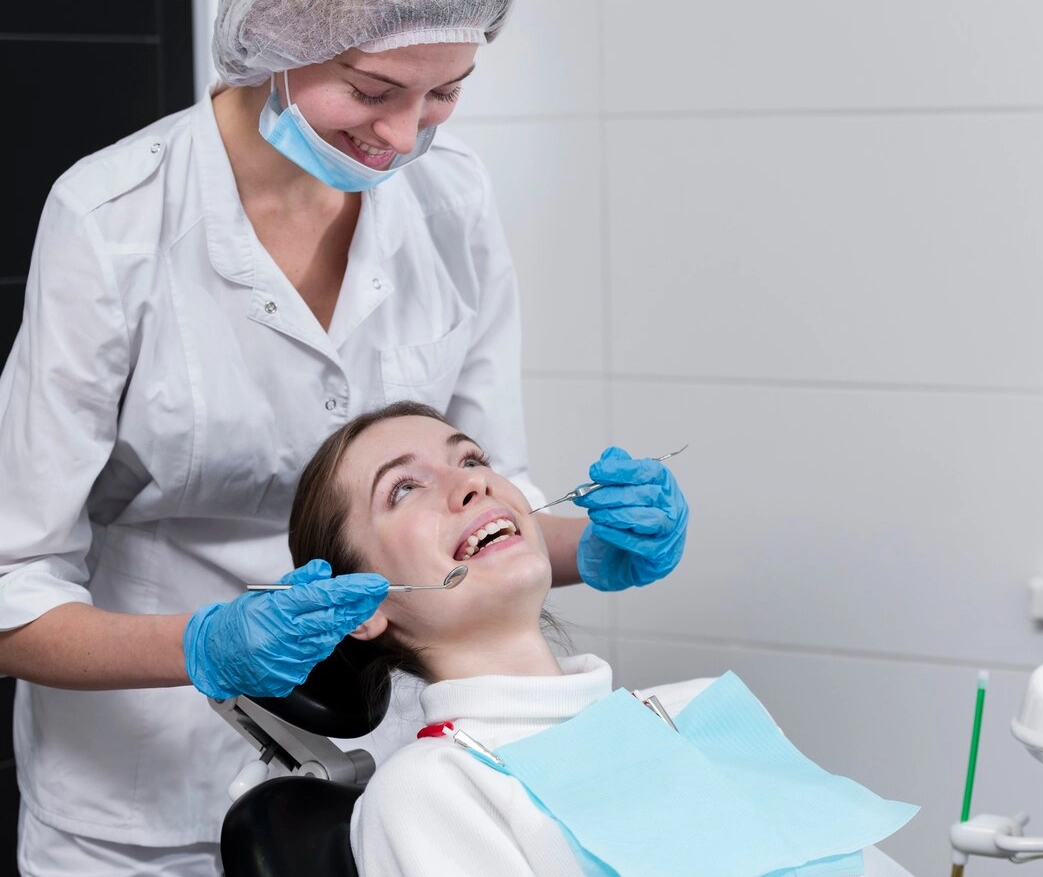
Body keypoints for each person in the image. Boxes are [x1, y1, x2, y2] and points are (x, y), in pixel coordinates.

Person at [0, 2, 688, 874]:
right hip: (140, 792)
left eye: (445, 93)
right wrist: (205, 646)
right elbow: (11, 589)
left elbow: (486, 496)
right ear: (278, 44)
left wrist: (588, 544)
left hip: (392, 767)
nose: (402, 138)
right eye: (371, 92)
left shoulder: (452, 196)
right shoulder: (113, 219)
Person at [289, 401, 915, 877]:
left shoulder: (694, 712)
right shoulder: (433, 790)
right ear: (360, 604)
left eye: (472, 460)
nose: (474, 484)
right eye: (404, 488)